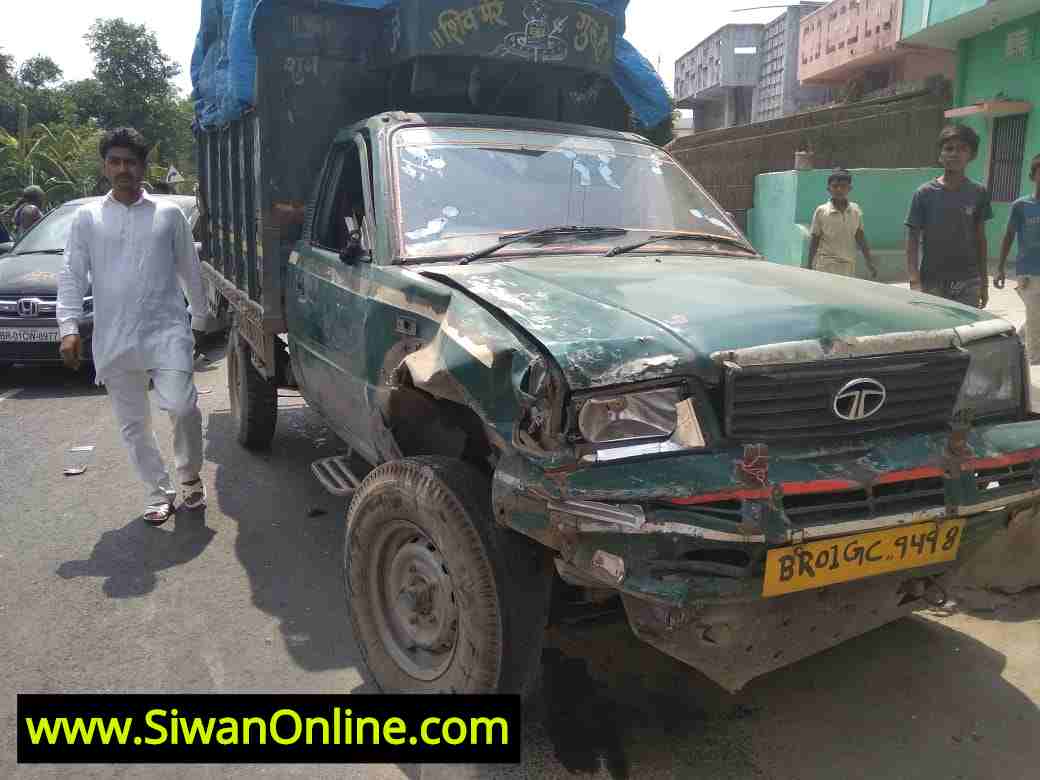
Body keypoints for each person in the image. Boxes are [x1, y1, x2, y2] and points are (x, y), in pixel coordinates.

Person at [57, 127, 211, 526]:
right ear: (105, 167)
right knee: (134, 424)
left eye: (130, 161)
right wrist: (68, 325)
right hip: (115, 336)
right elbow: (72, 273)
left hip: (167, 331)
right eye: (115, 161)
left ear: (143, 166)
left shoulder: (168, 214)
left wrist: (199, 317)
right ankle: (158, 491)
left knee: (182, 407)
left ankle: (189, 476)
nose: (123, 169)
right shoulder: (87, 218)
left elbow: (189, 268)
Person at [905, 124, 993, 308]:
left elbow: (980, 239)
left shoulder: (978, 192)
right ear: (940, 155)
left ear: (971, 155)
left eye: (962, 149)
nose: (954, 153)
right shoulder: (924, 193)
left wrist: (984, 283)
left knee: (966, 326)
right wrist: (914, 280)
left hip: (968, 281)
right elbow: (912, 239)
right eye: (949, 148)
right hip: (932, 281)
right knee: (934, 325)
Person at [996, 153, 1040, 362]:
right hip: (1028, 271)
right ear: (1033, 176)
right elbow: (1008, 236)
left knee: (1035, 316)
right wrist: (1000, 268)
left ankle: (1019, 341)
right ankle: (1034, 359)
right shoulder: (1021, 205)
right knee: (1034, 315)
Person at [807, 168, 877, 279]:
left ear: (849, 189)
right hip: (826, 265)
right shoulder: (821, 211)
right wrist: (809, 264)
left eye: (843, 186)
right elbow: (815, 238)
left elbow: (860, 236)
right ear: (828, 189)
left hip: (848, 265)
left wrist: (869, 261)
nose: (839, 189)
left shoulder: (855, 211)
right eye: (835, 186)